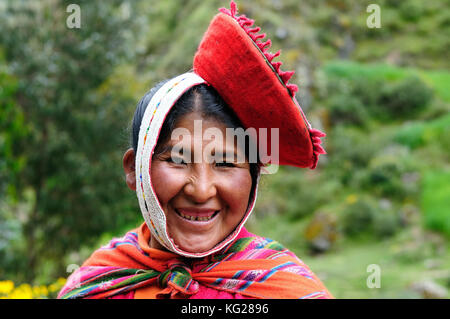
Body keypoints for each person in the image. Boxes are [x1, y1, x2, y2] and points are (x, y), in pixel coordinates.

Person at [58, 1, 331, 299]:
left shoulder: (284, 288)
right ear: (135, 169)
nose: (201, 191)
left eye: (225, 163)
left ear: (254, 173)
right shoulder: (97, 284)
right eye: (177, 160)